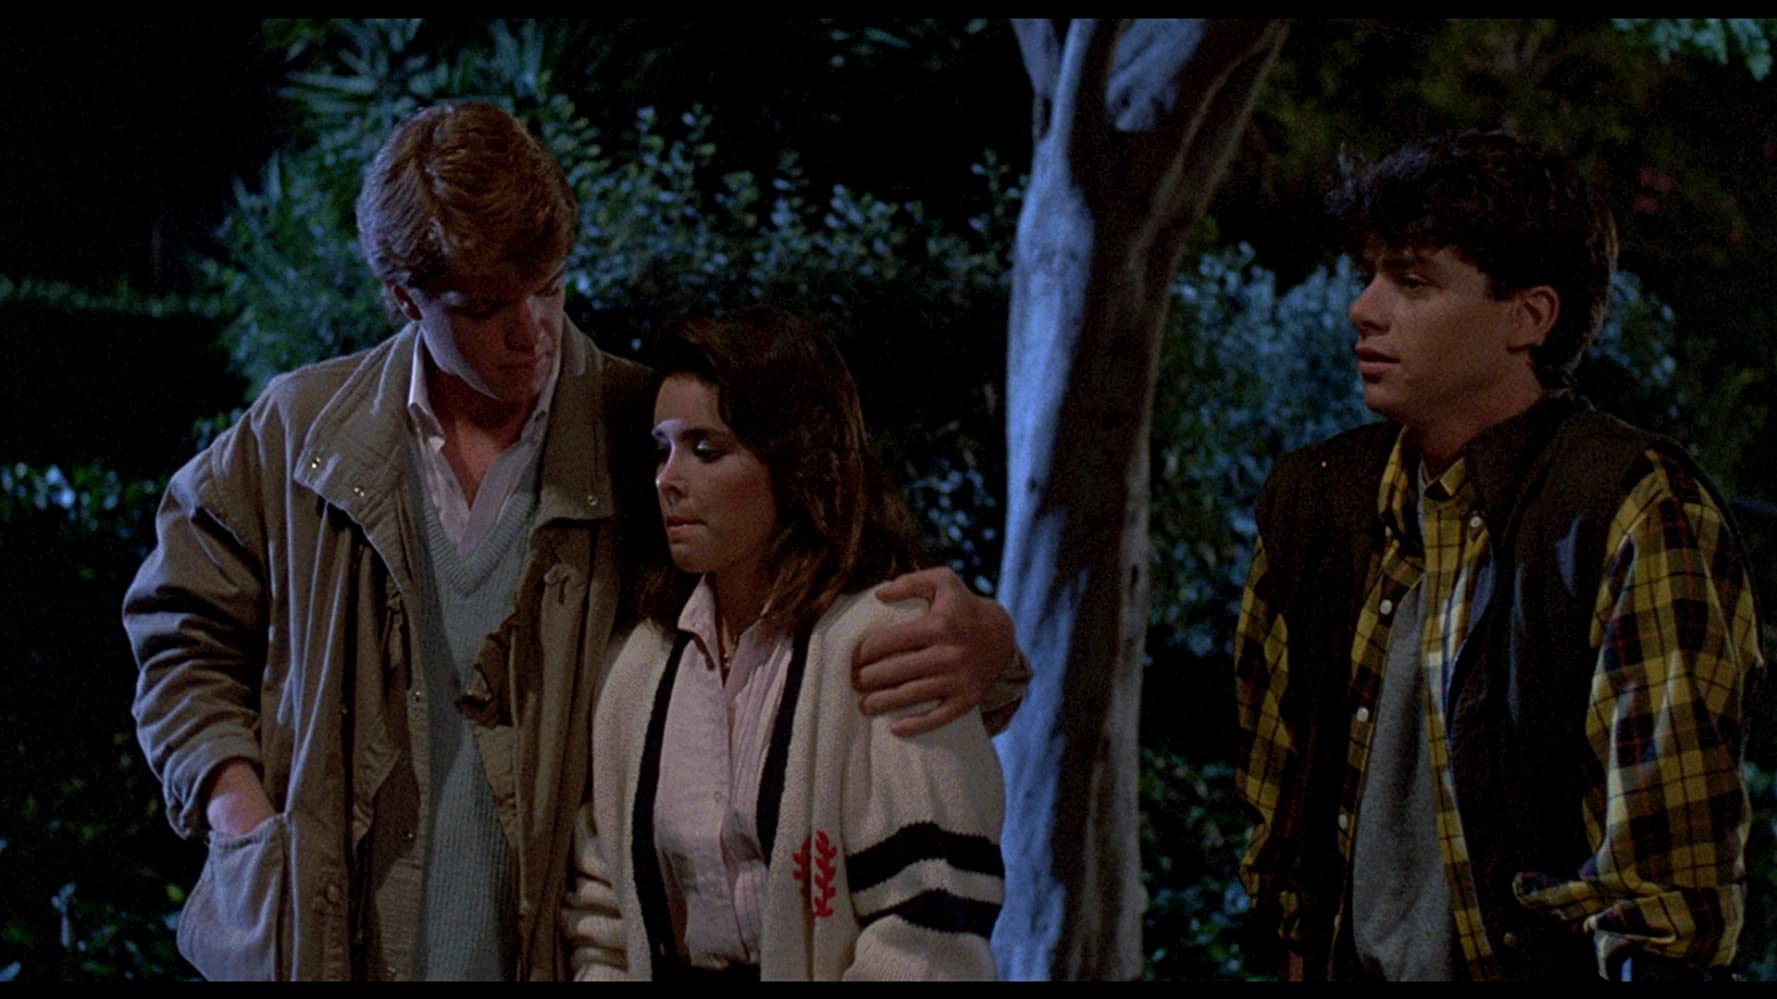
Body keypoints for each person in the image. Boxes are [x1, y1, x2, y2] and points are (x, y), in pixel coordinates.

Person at [123, 101, 1024, 981]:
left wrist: (990, 648)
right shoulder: (303, 433)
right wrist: (235, 806)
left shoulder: (640, 430)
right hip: (333, 944)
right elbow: (176, 621)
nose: (532, 333)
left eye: (549, 288)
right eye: (485, 307)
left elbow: (820, 603)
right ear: (403, 298)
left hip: (548, 950)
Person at [1233, 130, 1765, 981]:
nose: (1363, 308)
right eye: (1368, 275)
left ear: (1529, 316)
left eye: (1412, 282)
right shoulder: (1315, 502)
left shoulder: (1628, 507)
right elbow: (1284, 834)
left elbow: (1666, 893)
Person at [562, 310, 1004, 980]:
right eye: (662, 449)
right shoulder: (638, 668)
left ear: (793, 462)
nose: (668, 479)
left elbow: (931, 928)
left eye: (706, 449)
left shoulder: (886, 643)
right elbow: (604, 914)